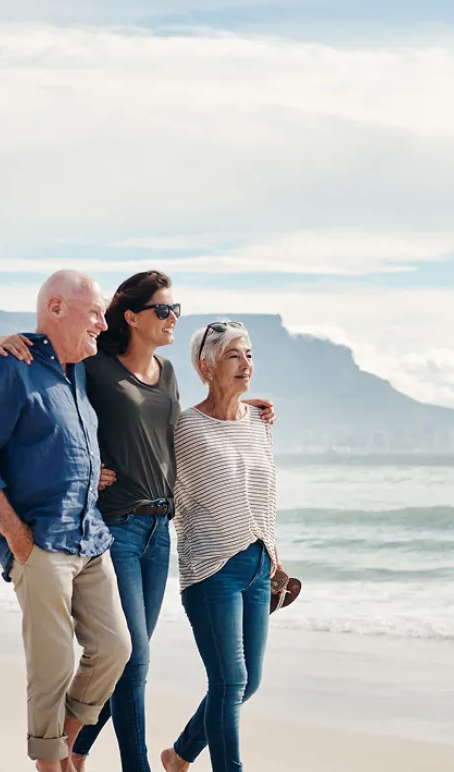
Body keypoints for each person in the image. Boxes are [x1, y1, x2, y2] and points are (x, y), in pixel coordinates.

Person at [0, 272, 273, 772]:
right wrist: (7, 342)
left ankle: (75, 751)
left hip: (158, 531)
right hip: (114, 526)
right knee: (134, 658)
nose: (173, 318)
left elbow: (184, 429)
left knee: (126, 659)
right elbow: (50, 385)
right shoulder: (94, 366)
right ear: (133, 316)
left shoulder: (166, 373)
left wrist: (239, 405)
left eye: (176, 310)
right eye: (164, 310)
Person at [0, 269, 132, 772]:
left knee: (115, 649)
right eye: (95, 311)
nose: (103, 321)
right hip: (40, 542)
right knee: (52, 666)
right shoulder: (10, 369)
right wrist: (16, 535)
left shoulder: (79, 366)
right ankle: (50, 764)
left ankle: (66, 745)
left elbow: (149, 374)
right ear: (56, 308)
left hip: (89, 537)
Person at [161, 320, 282, 772]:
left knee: (246, 684)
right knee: (229, 681)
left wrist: (273, 557)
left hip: (257, 565)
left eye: (249, 354)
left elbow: (263, 494)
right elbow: (145, 454)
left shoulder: (260, 422)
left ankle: (178, 756)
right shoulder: (185, 427)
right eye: (233, 355)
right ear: (205, 366)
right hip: (211, 567)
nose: (246, 364)